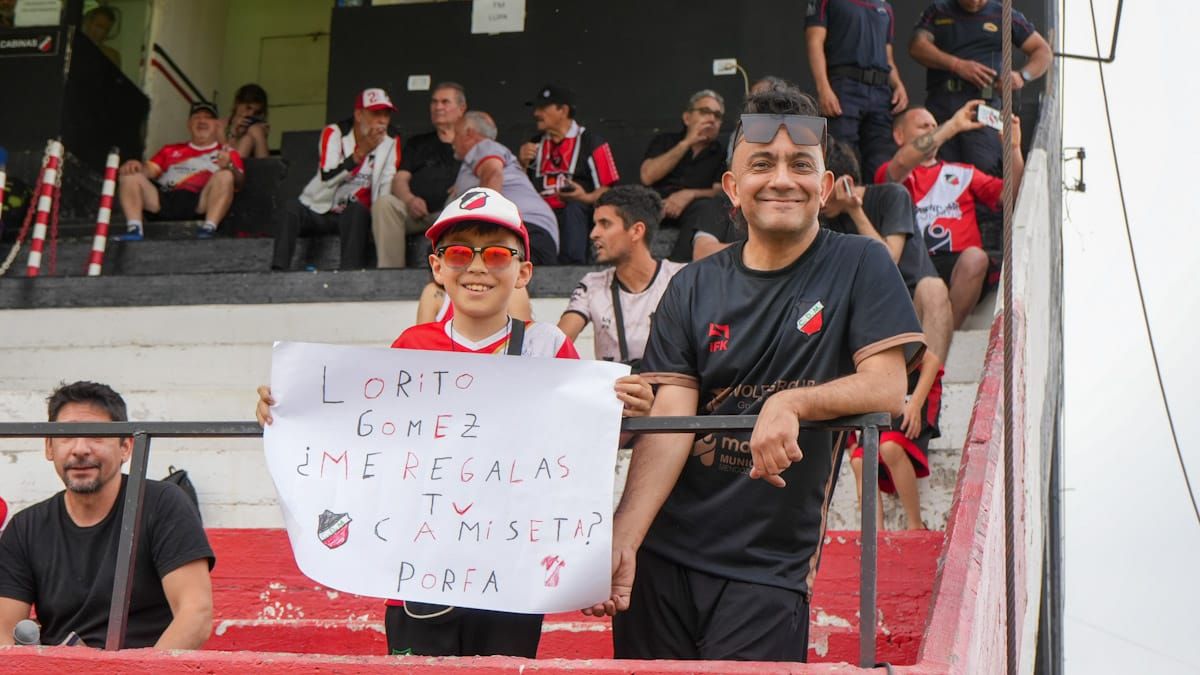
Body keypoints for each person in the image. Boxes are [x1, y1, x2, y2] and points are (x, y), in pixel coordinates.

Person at [586, 87, 924, 662]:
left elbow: (887, 387)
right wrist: (626, 534)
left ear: (824, 187)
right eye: (761, 164)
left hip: (768, 566)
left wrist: (791, 403)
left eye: (801, 165)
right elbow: (671, 416)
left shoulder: (859, 263)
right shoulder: (693, 284)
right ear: (732, 188)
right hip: (665, 556)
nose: (781, 179)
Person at [257, 188, 653, 657]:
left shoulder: (549, 349)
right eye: (460, 252)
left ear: (523, 271)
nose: (478, 267)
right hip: (420, 574)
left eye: (498, 254)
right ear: (437, 268)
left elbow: (577, 458)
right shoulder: (411, 347)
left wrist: (624, 411)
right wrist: (287, 409)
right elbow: (365, 438)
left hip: (513, 574)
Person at [0, 381, 214, 649]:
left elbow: (196, 615)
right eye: (66, 436)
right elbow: (3, 633)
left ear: (126, 446)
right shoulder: (24, 528)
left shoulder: (164, 504)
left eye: (96, 435)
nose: (80, 449)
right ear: (49, 447)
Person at [821, 139, 948, 530]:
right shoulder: (822, 221)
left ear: (839, 181)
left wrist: (856, 212)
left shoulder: (889, 195)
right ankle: (870, 532)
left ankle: (913, 524)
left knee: (933, 289)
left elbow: (886, 262)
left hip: (908, 306)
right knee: (861, 457)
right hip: (871, 329)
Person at [876, 100, 1022, 328]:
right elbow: (902, 162)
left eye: (935, 125)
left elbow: (1012, 197)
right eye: (923, 126)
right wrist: (952, 126)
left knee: (976, 257)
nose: (933, 130)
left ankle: (941, 338)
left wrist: (1013, 148)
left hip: (958, 268)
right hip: (913, 266)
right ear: (899, 135)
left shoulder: (963, 173)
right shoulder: (891, 171)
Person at [909, 0, 1051, 177]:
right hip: (942, 103)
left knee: (984, 168)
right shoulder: (939, 10)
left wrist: (1021, 76)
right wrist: (957, 65)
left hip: (985, 105)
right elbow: (917, 46)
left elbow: (1043, 51)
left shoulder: (1004, 14)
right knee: (938, 169)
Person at [271, 88, 400, 271]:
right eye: (375, 114)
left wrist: (377, 221)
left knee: (357, 211)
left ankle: (349, 275)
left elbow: (386, 182)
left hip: (354, 216)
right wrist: (358, 155)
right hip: (320, 209)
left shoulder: (391, 140)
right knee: (291, 208)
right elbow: (327, 176)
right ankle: (278, 271)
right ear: (359, 114)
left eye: (386, 115)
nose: (382, 121)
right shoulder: (335, 132)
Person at [559, 185, 685, 366]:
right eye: (595, 225)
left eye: (605, 224)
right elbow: (556, 344)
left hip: (671, 390)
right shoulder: (592, 284)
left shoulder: (682, 278)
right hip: (613, 392)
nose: (594, 234)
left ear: (636, 231)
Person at [805, 0, 907, 182]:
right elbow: (814, 42)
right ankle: (843, 208)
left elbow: (888, 56)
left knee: (881, 157)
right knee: (843, 157)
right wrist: (823, 88)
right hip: (844, 86)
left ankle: (874, 209)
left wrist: (898, 84)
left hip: (881, 90)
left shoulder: (885, 7)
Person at [519, 85, 619, 264]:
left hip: (576, 213)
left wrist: (585, 197)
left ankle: (571, 267)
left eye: (542, 108)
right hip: (541, 212)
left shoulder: (592, 142)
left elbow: (608, 190)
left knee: (573, 207)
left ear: (563, 110)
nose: (536, 113)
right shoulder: (534, 144)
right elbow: (520, 188)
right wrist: (522, 163)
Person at [117, 101, 244, 240]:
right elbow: (150, 169)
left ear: (216, 124)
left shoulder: (227, 153)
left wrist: (229, 165)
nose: (202, 120)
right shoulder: (170, 149)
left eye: (208, 117)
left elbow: (239, 182)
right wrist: (136, 166)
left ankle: (209, 229)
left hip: (200, 203)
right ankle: (134, 229)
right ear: (189, 124)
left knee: (225, 175)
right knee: (130, 175)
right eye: (196, 117)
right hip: (165, 201)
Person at [372, 82, 467, 268]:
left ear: (461, 109)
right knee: (384, 204)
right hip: (418, 215)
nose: (438, 107)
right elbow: (400, 179)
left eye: (445, 102)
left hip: (455, 216)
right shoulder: (418, 143)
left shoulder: (471, 142)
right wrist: (410, 200)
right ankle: (391, 275)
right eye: (434, 102)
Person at [450, 111, 560, 266]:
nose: (452, 141)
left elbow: (493, 176)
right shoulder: (479, 160)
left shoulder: (484, 146)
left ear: (469, 134)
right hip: (534, 232)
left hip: (523, 227)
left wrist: (482, 230)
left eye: (456, 134)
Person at [639, 90, 728, 263]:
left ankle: (678, 268)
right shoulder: (665, 141)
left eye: (717, 115)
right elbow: (647, 176)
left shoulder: (722, 154)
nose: (711, 119)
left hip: (693, 208)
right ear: (687, 118)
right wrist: (687, 143)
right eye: (704, 112)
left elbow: (720, 192)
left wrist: (689, 194)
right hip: (656, 202)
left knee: (707, 207)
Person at [225, 83, 270, 160]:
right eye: (248, 108)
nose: (250, 114)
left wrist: (261, 137)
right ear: (237, 103)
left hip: (249, 169)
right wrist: (234, 132)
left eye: (256, 112)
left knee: (252, 134)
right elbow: (222, 155)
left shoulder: (254, 129)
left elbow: (264, 164)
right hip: (219, 169)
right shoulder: (221, 125)